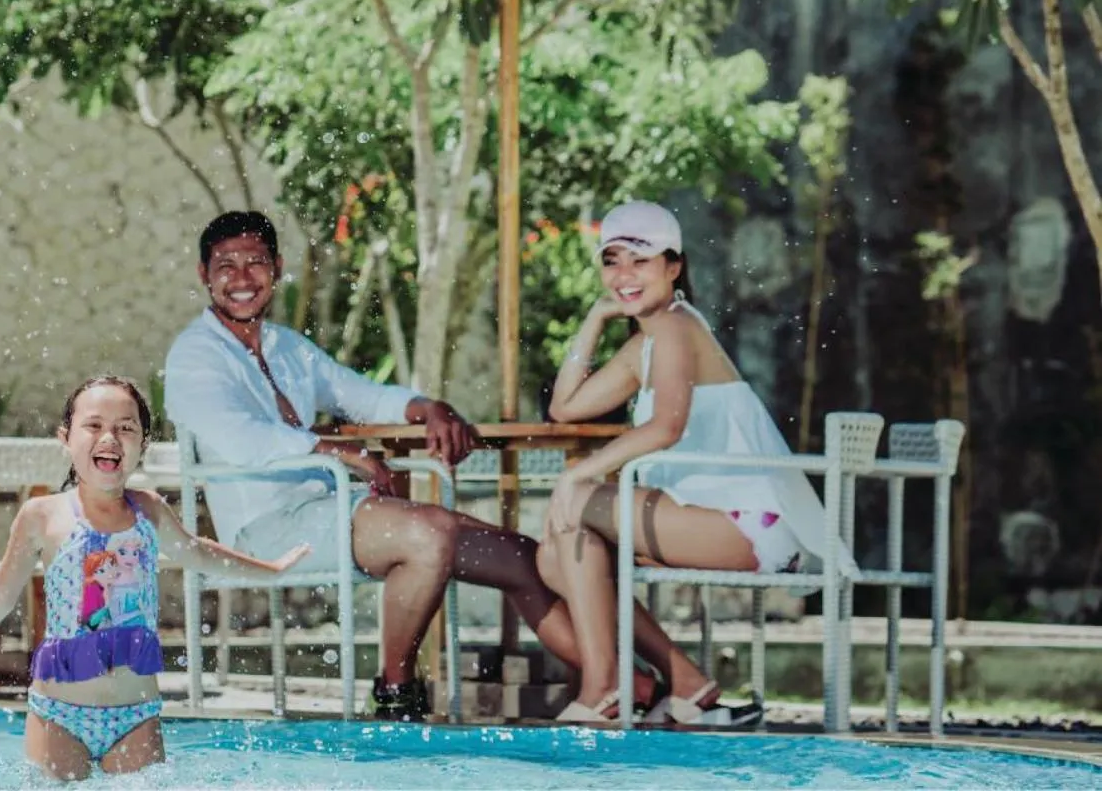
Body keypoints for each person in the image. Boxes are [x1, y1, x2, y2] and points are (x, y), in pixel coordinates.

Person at [163, 211, 692, 722]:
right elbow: (239, 437)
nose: (240, 278)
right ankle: (396, 689)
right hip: (265, 532)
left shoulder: (286, 347)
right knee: (428, 533)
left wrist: (427, 409)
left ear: (277, 268)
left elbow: (363, 397)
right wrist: (339, 453)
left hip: (334, 508)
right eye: (225, 265)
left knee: (520, 556)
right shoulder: (195, 355)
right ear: (204, 275)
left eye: (254, 262)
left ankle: (630, 687)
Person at [0, 376, 309, 781]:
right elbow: (1, 592)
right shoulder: (42, 515)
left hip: (135, 717)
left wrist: (271, 571)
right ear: (66, 438)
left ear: (143, 445)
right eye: (94, 425)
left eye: (125, 427)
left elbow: (197, 551)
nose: (110, 437)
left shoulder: (149, 511)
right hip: (58, 716)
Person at [539, 200, 845, 725]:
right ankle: (683, 680)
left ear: (674, 266)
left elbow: (666, 427)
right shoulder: (647, 343)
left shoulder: (678, 328)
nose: (624, 275)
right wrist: (593, 320)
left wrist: (579, 473)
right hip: (702, 518)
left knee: (578, 506)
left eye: (640, 260)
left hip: (749, 526)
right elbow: (565, 407)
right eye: (612, 261)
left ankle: (603, 687)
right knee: (558, 554)